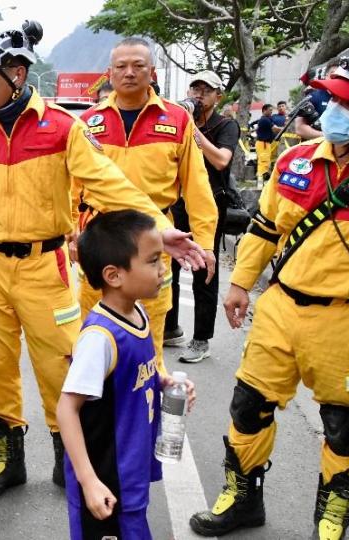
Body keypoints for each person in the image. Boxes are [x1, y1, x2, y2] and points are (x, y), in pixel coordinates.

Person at [0, 19, 206, 502]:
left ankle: (70, 459)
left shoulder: (63, 128)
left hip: (46, 269)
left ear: (17, 73)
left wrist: (158, 227)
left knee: (60, 369)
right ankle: (8, 459)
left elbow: (110, 183)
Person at [190, 43, 349, 540]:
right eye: (332, 100)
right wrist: (239, 283)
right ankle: (241, 500)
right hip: (279, 308)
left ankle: (331, 520)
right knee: (248, 405)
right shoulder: (297, 160)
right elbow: (264, 229)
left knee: (346, 423)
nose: (334, 112)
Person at [78, 38, 217, 373]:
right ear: (109, 74)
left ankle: (147, 416)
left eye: (138, 66)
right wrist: (72, 233)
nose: (129, 73)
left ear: (152, 72)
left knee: (150, 339)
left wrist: (207, 243)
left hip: (155, 239)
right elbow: (72, 187)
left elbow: (198, 188)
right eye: (121, 67)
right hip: (101, 238)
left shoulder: (177, 120)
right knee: (94, 335)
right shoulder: (87, 122)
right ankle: (98, 417)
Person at [59, 209, 196, 540]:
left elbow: (130, 375)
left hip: (130, 468)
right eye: (152, 261)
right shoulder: (100, 338)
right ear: (114, 275)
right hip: (108, 476)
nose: (163, 269)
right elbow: (66, 408)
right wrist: (89, 482)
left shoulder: (137, 312)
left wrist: (162, 382)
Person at [165, 70, 240, 363]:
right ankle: (170, 328)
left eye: (206, 90)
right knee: (167, 266)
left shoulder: (226, 125)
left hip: (210, 206)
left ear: (217, 97)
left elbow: (221, 160)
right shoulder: (179, 121)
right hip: (178, 203)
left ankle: (201, 339)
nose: (198, 94)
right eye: (195, 88)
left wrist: (192, 131)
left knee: (203, 269)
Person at [252, 104, 276, 182]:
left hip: (265, 144)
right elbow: (275, 129)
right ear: (264, 110)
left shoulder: (267, 119)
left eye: (272, 110)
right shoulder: (265, 119)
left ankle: (261, 177)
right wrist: (284, 129)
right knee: (263, 161)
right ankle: (260, 178)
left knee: (266, 161)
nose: (271, 112)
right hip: (263, 144)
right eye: (270, 110)